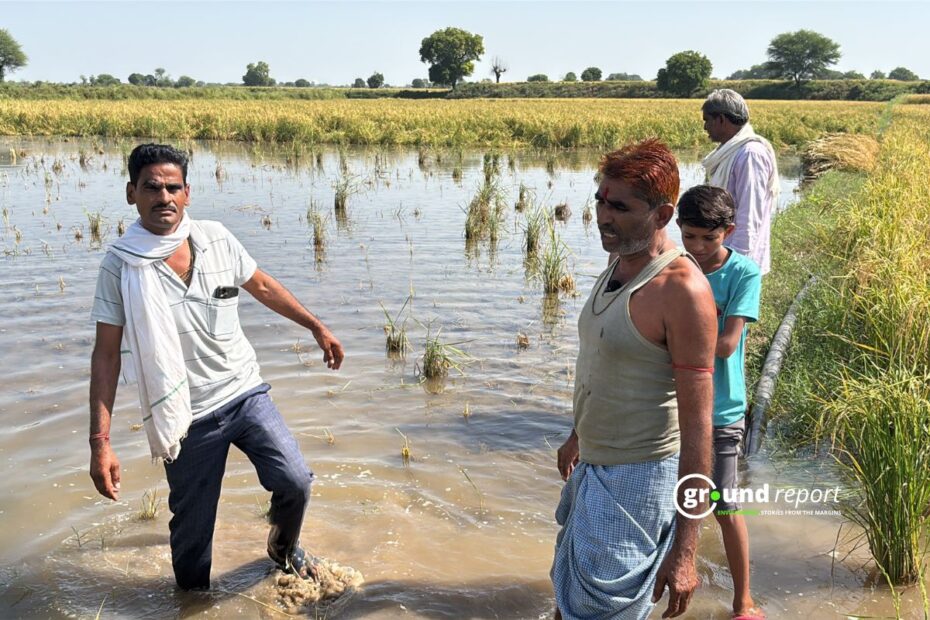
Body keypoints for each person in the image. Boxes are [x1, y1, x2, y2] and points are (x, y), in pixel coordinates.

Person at [88, 143, 344, 590]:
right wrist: (100, 443)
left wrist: (316, 326)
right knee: (192, 544)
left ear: (187, 193)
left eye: (173, 187)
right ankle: (192, 607)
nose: (163, 197)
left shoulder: (216, 239)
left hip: (245, 394)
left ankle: (283, 549)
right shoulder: (121, 266)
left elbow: (261, 285)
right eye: (151, 187)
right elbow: (106, 355)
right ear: (132, 193)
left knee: (296, 480)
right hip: (186, 419)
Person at [552, 139, 717, 619]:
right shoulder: (617, 263)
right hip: (594, 466)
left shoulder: (682, 291)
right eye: (601, 200)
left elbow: (698, 429)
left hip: (639, 478)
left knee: (605, 611)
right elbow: (605, 362)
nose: (604, 215)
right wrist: (577, 433)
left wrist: (686, 550)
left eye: (620, 207)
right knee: (569, 601)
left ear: (662, 214)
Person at [677, 185, 764, 620]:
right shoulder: (673, 269)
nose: (696, 248)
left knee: (726, 506)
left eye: (707, 239)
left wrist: (678, 328)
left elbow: (728, 345)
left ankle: (743, 599)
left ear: (727, 232)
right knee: (673, 500)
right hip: (672, 411)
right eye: (688, 236)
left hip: (722, 409)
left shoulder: (743, 274)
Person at [701, 89, 780, 276]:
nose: (705, 127)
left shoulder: (750, 154)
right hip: (722, 253)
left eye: (707, 120)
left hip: (737, 259)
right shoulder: (729, 151)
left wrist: (737, 261)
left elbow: (750, 212)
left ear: (721, 119)